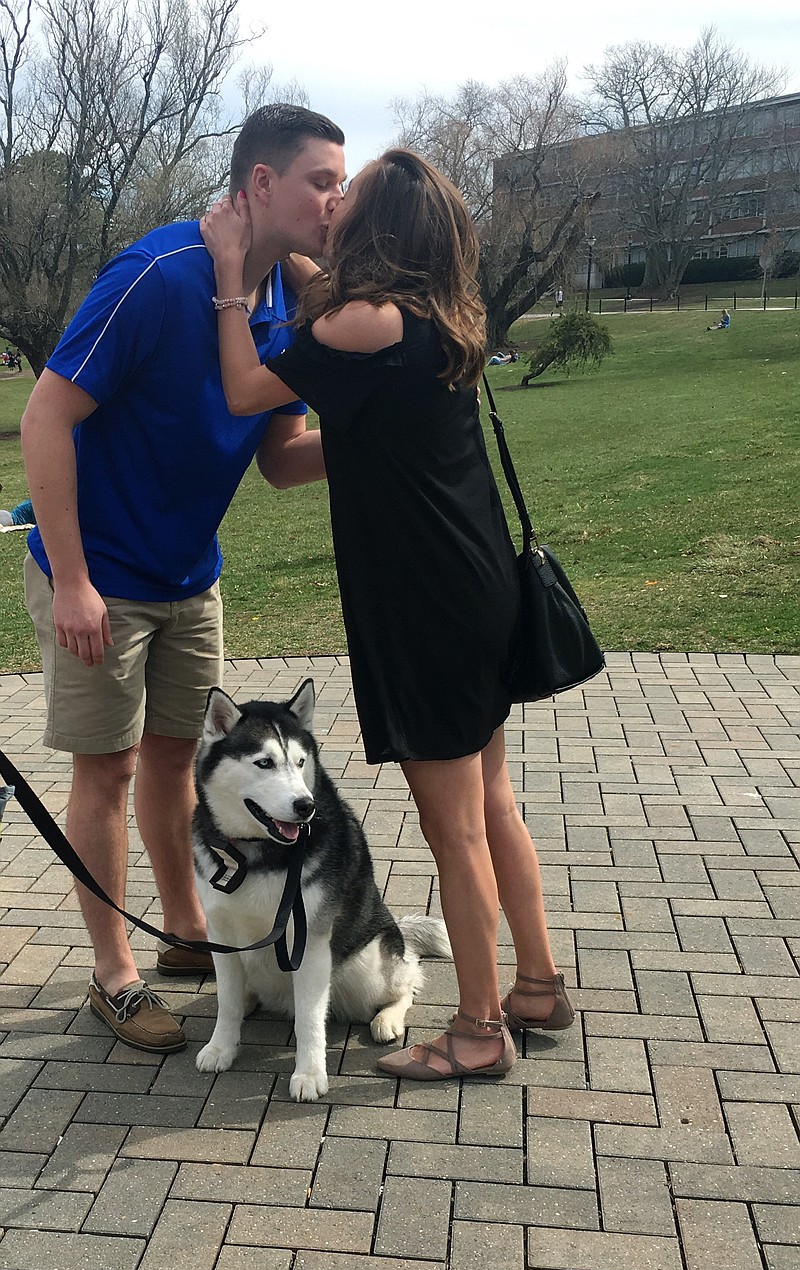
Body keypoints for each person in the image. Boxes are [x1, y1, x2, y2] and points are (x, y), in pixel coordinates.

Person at [200, 148, 573, 1082]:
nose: (332, 207)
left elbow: (248, 388)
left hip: (427, 609)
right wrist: (289, 248)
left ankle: (480, 1030)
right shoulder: (431, 315)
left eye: (346, 197)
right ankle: (536, 983)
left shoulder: (363, 321)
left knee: (454, 829)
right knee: (492, 803)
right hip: (474, 588)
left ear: (378, 229)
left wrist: (228, 280)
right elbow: (300, 429)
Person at [19, 104, 347, 1054]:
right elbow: (45, 416)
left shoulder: (289, 299)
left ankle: (185, 931)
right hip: (100, 572)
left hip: (187, 570)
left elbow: (283, 458)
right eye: (320, 182)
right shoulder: (158, 277)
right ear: (259, 185)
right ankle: (114, 973)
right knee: (109, 766)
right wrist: (73, 579)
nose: (335, 201)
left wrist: (385, 431)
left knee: (173, 758)